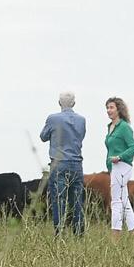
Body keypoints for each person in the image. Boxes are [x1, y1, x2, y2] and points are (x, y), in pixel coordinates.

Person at [40, 91, 86, 236]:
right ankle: (78, 233)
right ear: (74, 103)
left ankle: (59, 233)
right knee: (77, 200)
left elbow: (43, 136)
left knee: (59, 199)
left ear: (59, 103)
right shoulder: (82, 120)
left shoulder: (53, 118)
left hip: (59, 163)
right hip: (77, 163)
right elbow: (81, 136)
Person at [105, 96, 134, 237]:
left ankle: (115, 237)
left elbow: (133, 148)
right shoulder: (110, 127)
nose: (108, 110)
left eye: (111, 107)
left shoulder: (124, 127)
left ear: (119, 109)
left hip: (122, 166)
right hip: (113, 168)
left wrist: (120, 157)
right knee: (125, 203)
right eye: (107, 108)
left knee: (116, 202)